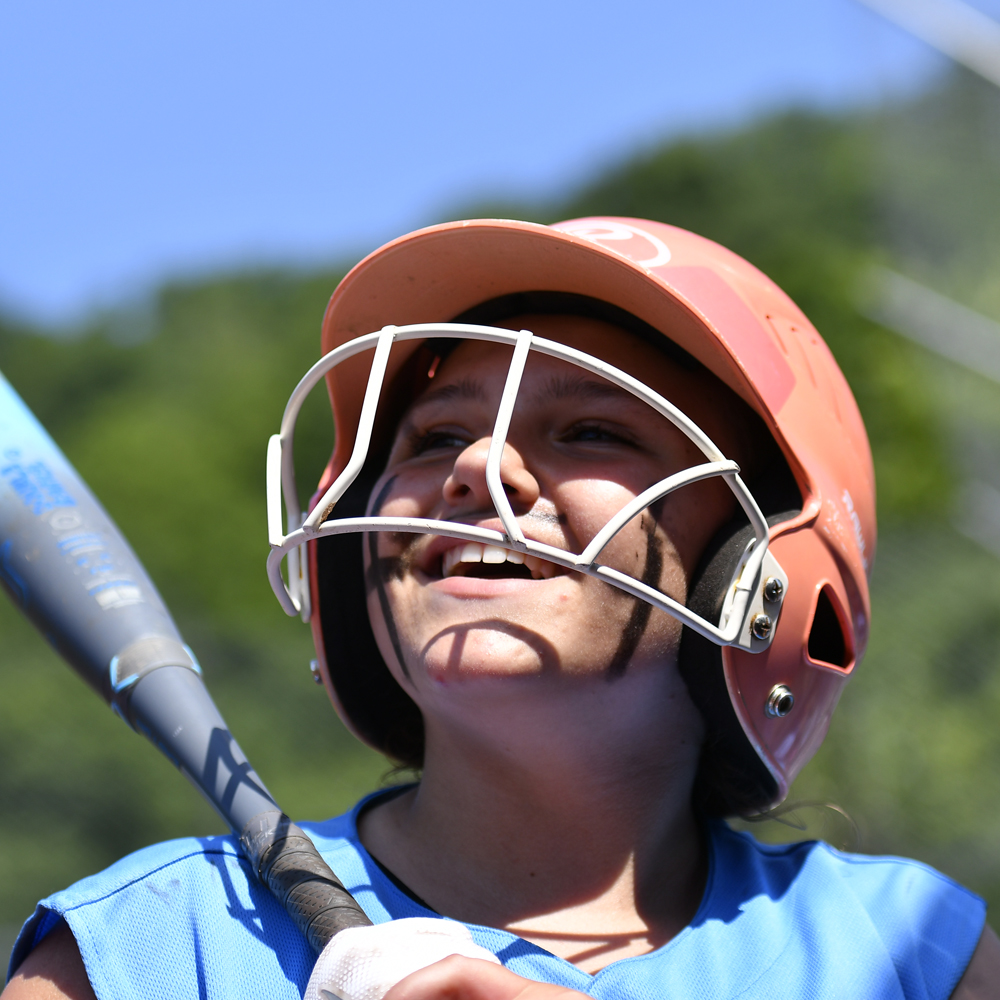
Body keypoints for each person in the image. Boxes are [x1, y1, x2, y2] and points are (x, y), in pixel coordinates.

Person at [5, 218, 998, 1000]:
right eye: (434, 437)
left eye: (591, 428)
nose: (478, 467)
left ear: (758, 573)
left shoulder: (907, 954)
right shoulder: (157, 945)